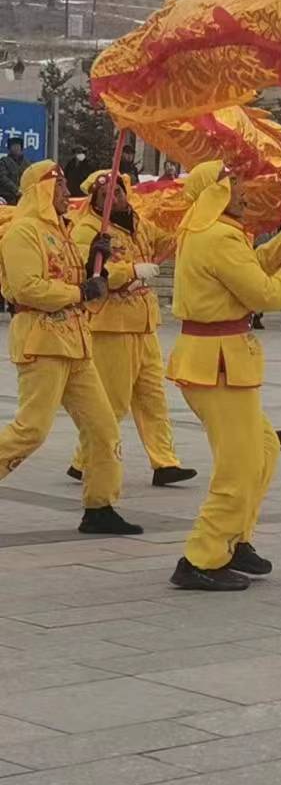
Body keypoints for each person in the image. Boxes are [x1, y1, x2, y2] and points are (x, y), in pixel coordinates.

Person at [164, 161, 281, 590]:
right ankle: (202, 557)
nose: (241, 189)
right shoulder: (216, 237)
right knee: (240, 466)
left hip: (220, 359)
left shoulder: (215, 234)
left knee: (264, 449)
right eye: (231, 184)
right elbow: (262, 293)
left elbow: (249, 266)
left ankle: (234, 539)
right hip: (217, 363)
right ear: (214, 192)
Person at [0, 161, 140, 536]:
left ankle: (100, 505)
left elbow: (81, 282)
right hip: (42, 341)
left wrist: (96, 263)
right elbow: (28, 287)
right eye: (59, 185)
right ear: (41, 190)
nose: (67, 193)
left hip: (76, 342)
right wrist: (80, 291)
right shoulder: (23, 232)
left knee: (103, 427)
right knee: (31, 429)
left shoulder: (62, 232)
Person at [67, 169, 196, 489]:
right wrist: (131, 270)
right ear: (96, 200)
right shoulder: (89, 231)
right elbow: (91, 275)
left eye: (119, 190)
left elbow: (165, 241)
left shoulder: (138, 222)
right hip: (112, 326)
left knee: (153, 398)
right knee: (112, 402)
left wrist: (192, 227)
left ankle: (164, 462)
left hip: (144, 323)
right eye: (106, 195)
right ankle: (84, 461)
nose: (116, 197)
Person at [0, 136, 26, 206]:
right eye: (13, 145)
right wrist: (16, 190)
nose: (16, 147)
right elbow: (2, 178)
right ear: (9, 148)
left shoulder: (27, 163)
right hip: (7, 198)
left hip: (23, 199)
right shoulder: (4, 161)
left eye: (18, 145)